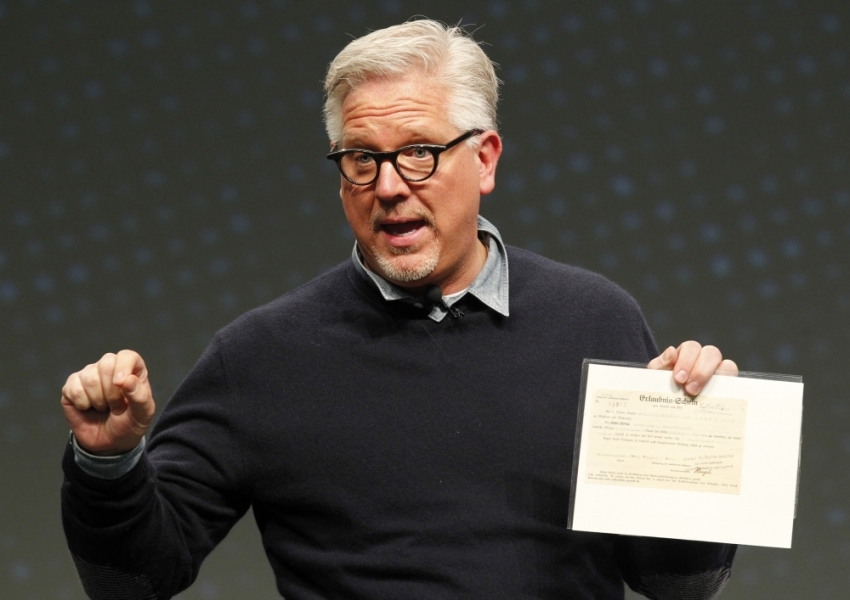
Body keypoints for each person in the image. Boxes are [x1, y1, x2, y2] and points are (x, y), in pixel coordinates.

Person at [61, 19, 738, 600]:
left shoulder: (595, 320)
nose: (387, 187)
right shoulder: (262, 355)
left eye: (418, 152)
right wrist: (109, 464)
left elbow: (678, 585)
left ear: (486, 159)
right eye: (361, 158)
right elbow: (136, 583)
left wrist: (699, 447)